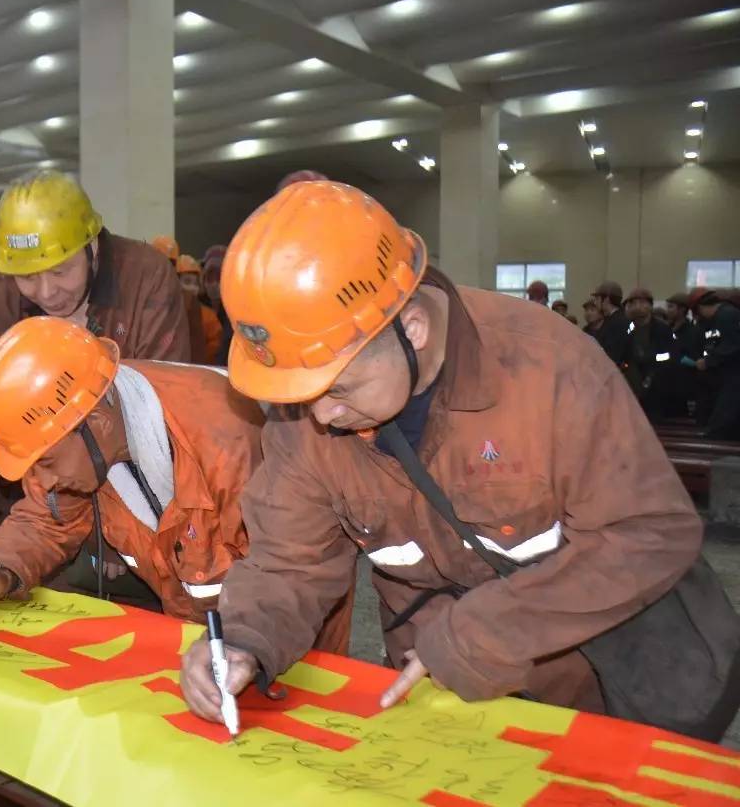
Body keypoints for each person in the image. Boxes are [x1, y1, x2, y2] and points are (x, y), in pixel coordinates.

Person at [178, 181, 703, 722]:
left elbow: (648, 532)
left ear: (412, 327)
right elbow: (291, 562)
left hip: (581, 691)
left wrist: (481, 632)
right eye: (302, 394)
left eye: (337, 389)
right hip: (428, 694)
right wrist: (243, 639)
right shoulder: (305, 410)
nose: (319, 417)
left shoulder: (550, 370)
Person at [0, 316, 353, 650]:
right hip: (200, 639)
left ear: (97, 423)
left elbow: (287, 573)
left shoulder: (228, 440)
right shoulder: (91, 427)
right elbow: (47, 521)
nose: (43, 479)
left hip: (284, 639)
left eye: (45, 460)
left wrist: (242, 652)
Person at [0, 170, 191, 542]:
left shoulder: (145, 280)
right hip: (45, 505)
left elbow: (161, 412)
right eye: (28, 278)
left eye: (61, 271)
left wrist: (117, 524)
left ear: (92, 247)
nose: (47, 292)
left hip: (141, 499)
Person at [149, 236, 206, 363]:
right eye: (160, 261)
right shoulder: (140, 297)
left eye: (171, 263)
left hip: (180, 371)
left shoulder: (188, 301)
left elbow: (197, 350)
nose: (165, 267)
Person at [692, 289, 740, 440]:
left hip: (734, 373)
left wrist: (708, 361)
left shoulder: (726, 316)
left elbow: (732, 344)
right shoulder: (725, 315)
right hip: (727, 373)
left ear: (700, 308)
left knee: (727, 407)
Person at [624, 287, 675, 421]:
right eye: (633, 303)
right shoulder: (629, 327)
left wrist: (650, 358)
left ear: (650, 306)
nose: (637, 307)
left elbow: (669, 356)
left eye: (642, 302)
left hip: (657, 384)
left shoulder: (662, 329)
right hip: (633, 384)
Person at [178, 254, 224, 363]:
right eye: (187, 282)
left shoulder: (208, 316)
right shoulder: (165, 313)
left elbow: (215, 346)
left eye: (196, 283)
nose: (193, 288)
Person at [590, 280, 633, 383]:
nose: (595, 302)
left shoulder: (617, 322)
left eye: (597, 298)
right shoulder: (614, 319)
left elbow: (612, 355)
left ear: (607, 299)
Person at [200, 244, 232, 365]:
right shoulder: (198, 310)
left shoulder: (234, 313)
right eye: (209, 277)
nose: (213, 284)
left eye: (219, 277)